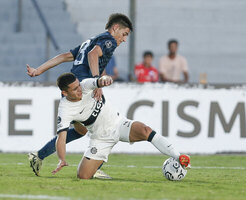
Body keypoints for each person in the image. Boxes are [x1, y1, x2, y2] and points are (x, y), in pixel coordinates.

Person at [26, 13, 133, 179]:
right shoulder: (109, 41)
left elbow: (64, 57)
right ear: (115, 28)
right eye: (124, 34)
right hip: (83, 91)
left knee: (81, 130)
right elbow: (93, 56)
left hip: (73, 90)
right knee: (109, 126)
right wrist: (97, 81)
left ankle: (38, 156)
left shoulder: (89, 41)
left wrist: (38, 70)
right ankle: (94, 167)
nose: (124, 39)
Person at [51, 73, 191, 179]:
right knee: (82, 176)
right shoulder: (65, 110)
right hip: (100, 139)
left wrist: (105, 79)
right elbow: (61, 138)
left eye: (78, 85)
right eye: (75, 89)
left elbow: (100, 80)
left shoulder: (85, 85)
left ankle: (179, 157)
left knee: (145, 130)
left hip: (119, 124)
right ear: (64, 93)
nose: (79, 89)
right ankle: (94, 170)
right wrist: (62, 159)